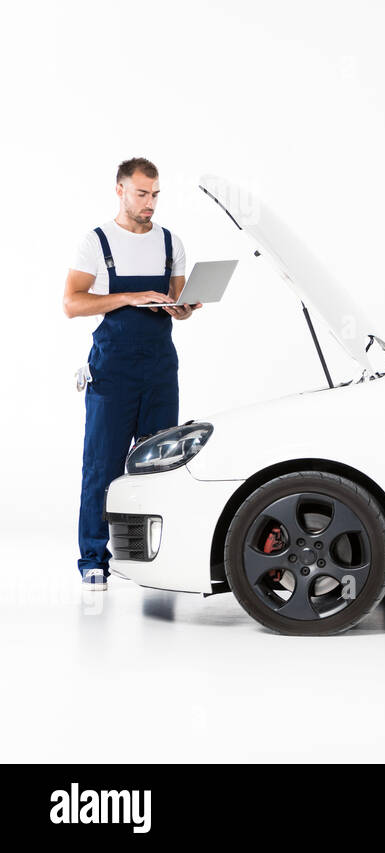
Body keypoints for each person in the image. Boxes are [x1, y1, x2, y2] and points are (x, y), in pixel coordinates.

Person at [63, 158, 202, 590]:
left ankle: (158, 559)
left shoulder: (169, 242)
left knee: (162, 466)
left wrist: (183, 307)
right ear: (120, 190)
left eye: (155, 194)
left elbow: (176, 307)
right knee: (101, 467)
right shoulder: (96, 242)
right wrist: (128, 296)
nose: (150, 203)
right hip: (113, 370)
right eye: (142, 194)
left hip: (160, 368)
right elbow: (72, 303)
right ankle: (93, 558)